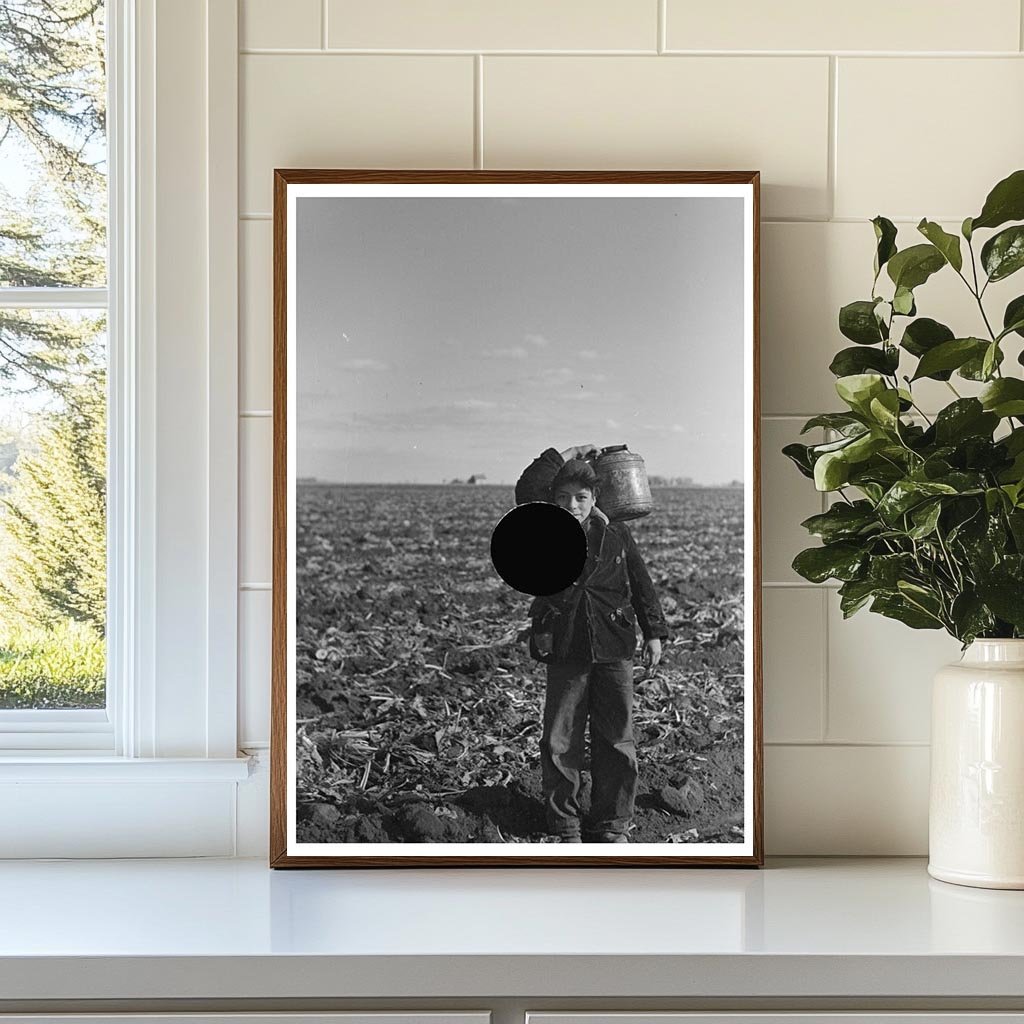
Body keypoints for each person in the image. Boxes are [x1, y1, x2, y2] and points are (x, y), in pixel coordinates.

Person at [515, 442, 669, 843]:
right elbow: (526, 489)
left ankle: (611, 823)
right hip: (566, 645)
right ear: (552, 499)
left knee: (617, 737)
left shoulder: (617, 532)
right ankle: (564, 825)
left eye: (581, 498)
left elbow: (641, 583)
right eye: (563, 497)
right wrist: (564, 453)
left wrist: (653, 633)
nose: (572, 505)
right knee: (560, 738)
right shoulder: (545, 531)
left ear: (595, 498)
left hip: (615, 644)